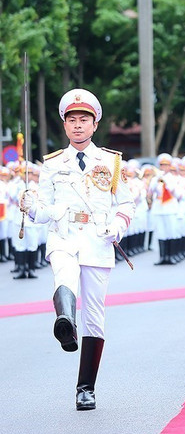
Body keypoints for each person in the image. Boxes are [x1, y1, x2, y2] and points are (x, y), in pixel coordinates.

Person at [20, 88, 135, 410]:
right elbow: (43, 209)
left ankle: (86, 388)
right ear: (65, 125)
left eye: (84, 119)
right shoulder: (53, 164)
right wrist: (30, 206)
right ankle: (65, 322)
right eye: (72, 120)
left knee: (95, 318)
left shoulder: (111, 162)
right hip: (64, 235)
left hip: (98, 240)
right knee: (64, 276)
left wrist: (118, 226)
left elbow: (126, 203)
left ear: (95, 124)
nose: (78, 125)